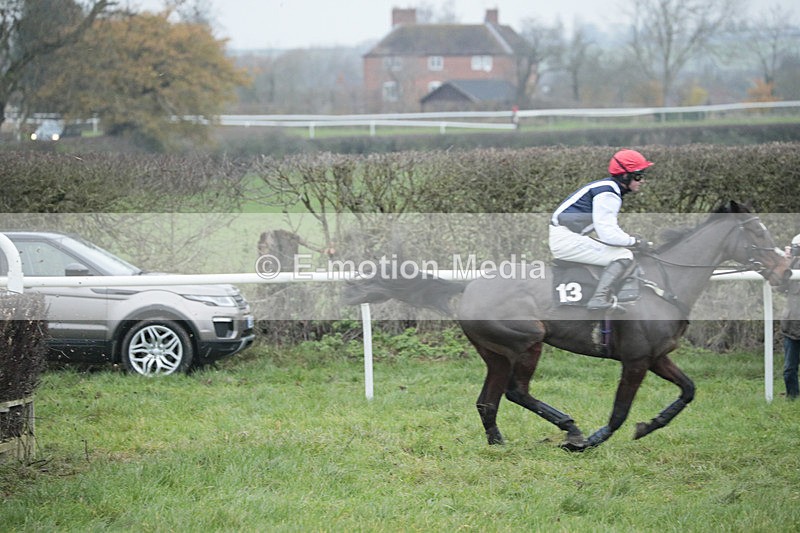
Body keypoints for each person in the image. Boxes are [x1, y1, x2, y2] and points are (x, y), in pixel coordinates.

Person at [549, 149, 654, 312]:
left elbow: (608, 231)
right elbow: (609, 235)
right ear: (625, 176)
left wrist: (630, 240)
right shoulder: (608, 193)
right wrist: (636, 242)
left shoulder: (608, 188)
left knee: (623, 250)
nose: (642, 181)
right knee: (623, 255)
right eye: (639, 176)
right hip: (566, 239)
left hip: (568, 236)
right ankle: (599, 298)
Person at [780, 234, 800, 400]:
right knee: (789, 369)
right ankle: (792, 398)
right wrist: (786, 262)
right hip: (792, 327)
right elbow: (779, 286)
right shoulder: (791, 266)